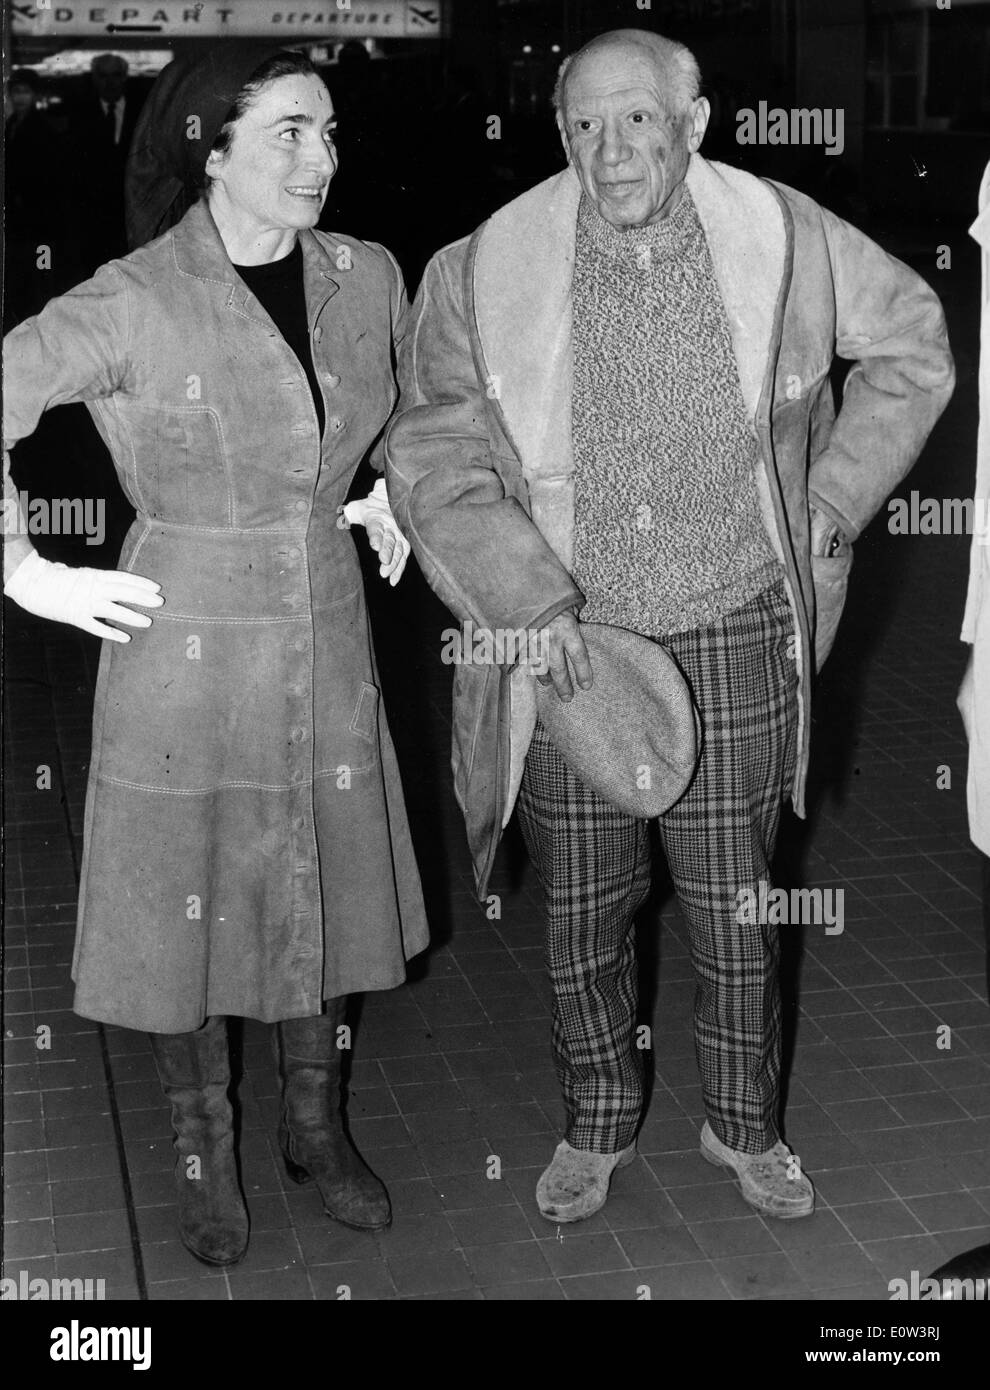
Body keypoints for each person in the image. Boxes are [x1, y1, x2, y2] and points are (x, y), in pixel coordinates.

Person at [385, 29, 954, 1224]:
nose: (612, 151)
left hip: (741, 625)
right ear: (559, 135)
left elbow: (914, 344)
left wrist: (838, 503)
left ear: (695, 123)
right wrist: (526, 601)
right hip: (574, 651)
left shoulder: (785, 238)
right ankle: (597, 1119)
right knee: (584, 912)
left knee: (737, 906)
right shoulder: (486, 266)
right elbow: (433, 453)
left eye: (639, 119)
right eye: (585, 126)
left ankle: (744, 1126)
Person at [3, 43, 429, 1267]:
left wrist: (387, 490)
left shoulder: (365, 275)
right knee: (182, 912)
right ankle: (205, 1151)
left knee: (321, 879)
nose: (323, 158)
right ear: (212, 146)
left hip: (326, 617)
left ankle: (313, 1125)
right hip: (182, 638)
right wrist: (24, 568)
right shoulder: (134, 296)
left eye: (331, 132)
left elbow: (403, 409)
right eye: (291, 132)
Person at [69, 54, 143, 271]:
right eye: (103, 76)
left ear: (124, 77)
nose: (110, 82)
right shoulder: (80, 116)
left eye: (116, 75)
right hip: (92, 221)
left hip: (131, 218)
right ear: (94, 79)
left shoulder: (142, 112)